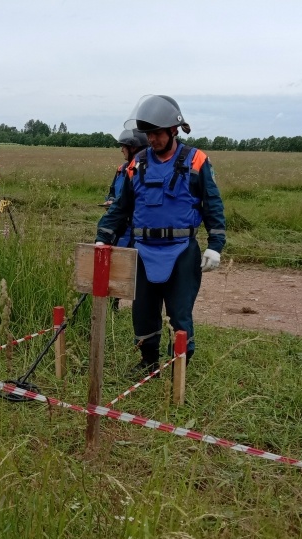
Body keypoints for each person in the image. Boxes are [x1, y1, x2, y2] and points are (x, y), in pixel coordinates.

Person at [95, 95, 226, 374]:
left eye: (156, 133)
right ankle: (147, 362)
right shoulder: (137, 164)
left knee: (179, 313)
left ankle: (178, 367)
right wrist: (103, 237)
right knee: (142, 312)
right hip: (143, 251)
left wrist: (215, 245)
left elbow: (212, 205)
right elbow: (120, 208)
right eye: (148, 133)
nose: (151, 139)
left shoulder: (197, 161)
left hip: (181, 250)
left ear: (173, 130)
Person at [100, 129, 149, 310]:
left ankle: (143, 306)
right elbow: (114, 192)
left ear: (134, 148)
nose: (121, 150)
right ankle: (113, 304)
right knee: (116, 264)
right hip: (119, 225)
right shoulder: (121, 170)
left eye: (124, 146)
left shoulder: (146, 171)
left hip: (137, 227)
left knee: (138, 268)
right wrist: (111, 201)